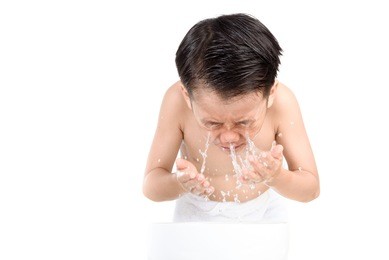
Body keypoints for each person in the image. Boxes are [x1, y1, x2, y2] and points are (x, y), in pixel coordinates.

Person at [143, 13, 319, 222]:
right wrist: (180, 183)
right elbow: (151, 186)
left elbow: (310, 189)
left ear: (270, 94)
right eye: (212, 123)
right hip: (196, 212)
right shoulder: (176, 103)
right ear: (187, 96)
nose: (229, 137)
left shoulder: (282, 103)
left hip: (262, 213)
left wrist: (277, 177)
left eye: (244, 122)